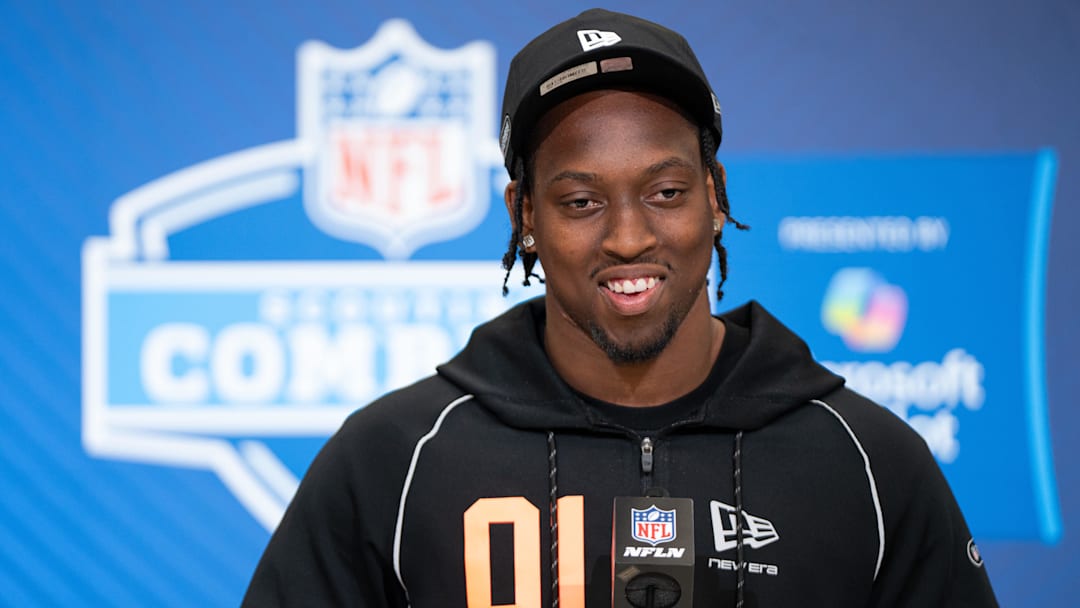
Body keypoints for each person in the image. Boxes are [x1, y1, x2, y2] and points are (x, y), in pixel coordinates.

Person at [243, 8, 998, 607]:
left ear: (715, 194)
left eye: (666, 192)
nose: (629, 237)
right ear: (524, 216)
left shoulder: (866, 459)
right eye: (580, 201)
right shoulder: (393, 457)